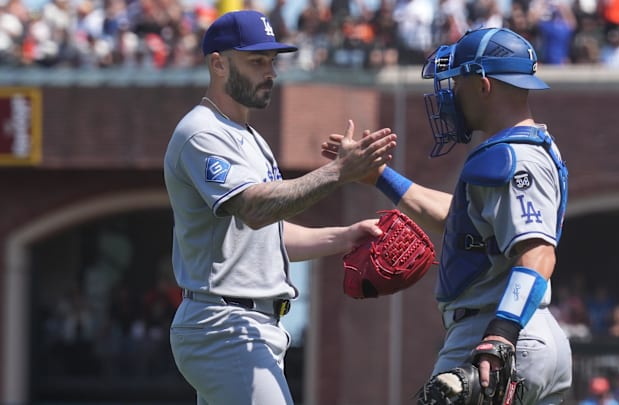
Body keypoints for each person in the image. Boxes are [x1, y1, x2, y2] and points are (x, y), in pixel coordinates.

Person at [323, 27, 572, 404]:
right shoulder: (527, 148)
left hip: (496, 333)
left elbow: (538, 255)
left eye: (458, 81)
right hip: (528, 335)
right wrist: (378, 177)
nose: (451, 92)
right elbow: (456, 216)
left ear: (484, 85)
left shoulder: (512, 158)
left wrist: (501, 334)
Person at [163, 10, 397, 405]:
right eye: (256, 61)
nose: (270, 71)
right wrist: (338, 172)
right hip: (225, 326)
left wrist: (344, 236)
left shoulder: (251, 138)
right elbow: (254, 209)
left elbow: (269, 232)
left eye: (272, 61)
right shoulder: (201, 131)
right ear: (218, 64)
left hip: (248, 327)